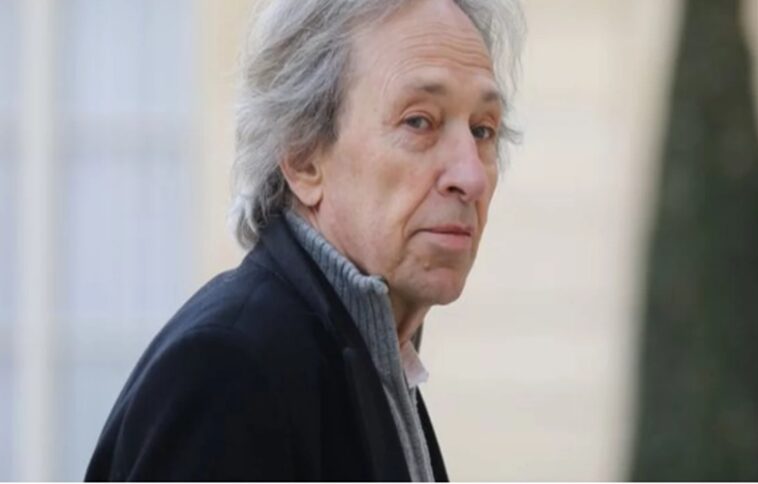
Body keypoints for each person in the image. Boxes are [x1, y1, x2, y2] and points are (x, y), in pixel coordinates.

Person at [85, 0, 523, 480]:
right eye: (419, 121)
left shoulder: (370, 355)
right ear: (303, 156)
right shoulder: (230, 370)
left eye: (483, 130)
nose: (470, 176)